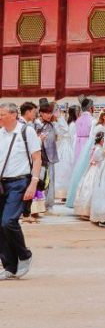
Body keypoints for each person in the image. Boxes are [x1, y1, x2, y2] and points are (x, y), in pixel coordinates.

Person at [0, 102, 42, 280]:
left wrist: (33, 183)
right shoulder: (0, 133)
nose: (0, 117)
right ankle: (9, 265)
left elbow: (37, 159)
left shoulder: (27, 132)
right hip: (2, 182)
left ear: (13, 115)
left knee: (8, 221)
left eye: (2, 114)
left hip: (19, 182)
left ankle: (24, 255)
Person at [74, 130, 105, 218]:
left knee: (87, 187)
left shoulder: (95, 147)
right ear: (102, 140)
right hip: (96, 169)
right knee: (92, 188)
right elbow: (97, 159)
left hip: (93, 168)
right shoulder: (99, 149)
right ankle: (88, 210)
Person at [35, 103, 59, 212]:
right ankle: (38, 205)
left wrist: (59, 117)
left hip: (50, 157)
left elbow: (64, 131)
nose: (49, 115)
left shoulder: (52, 124)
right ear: (41, 113)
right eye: (46, 113)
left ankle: (49, 205)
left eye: (50, 113)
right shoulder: (36, 124)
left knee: (50, 181)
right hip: (39, 157)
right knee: (39, 181)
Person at [54, 104, 76, 201]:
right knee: (65, 169)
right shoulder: (68, 123)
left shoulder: (65, 122)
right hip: (66, 146)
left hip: (63, 145)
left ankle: (63, 192)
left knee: (64, 169)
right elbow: (68, 134)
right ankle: (63, 192)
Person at [73, 97, 94, 163]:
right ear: (90, 108)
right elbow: (93, 135)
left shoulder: (78, 120)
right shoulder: (92, 120)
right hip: (87, 144)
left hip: (77, 144)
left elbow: (75, 135)